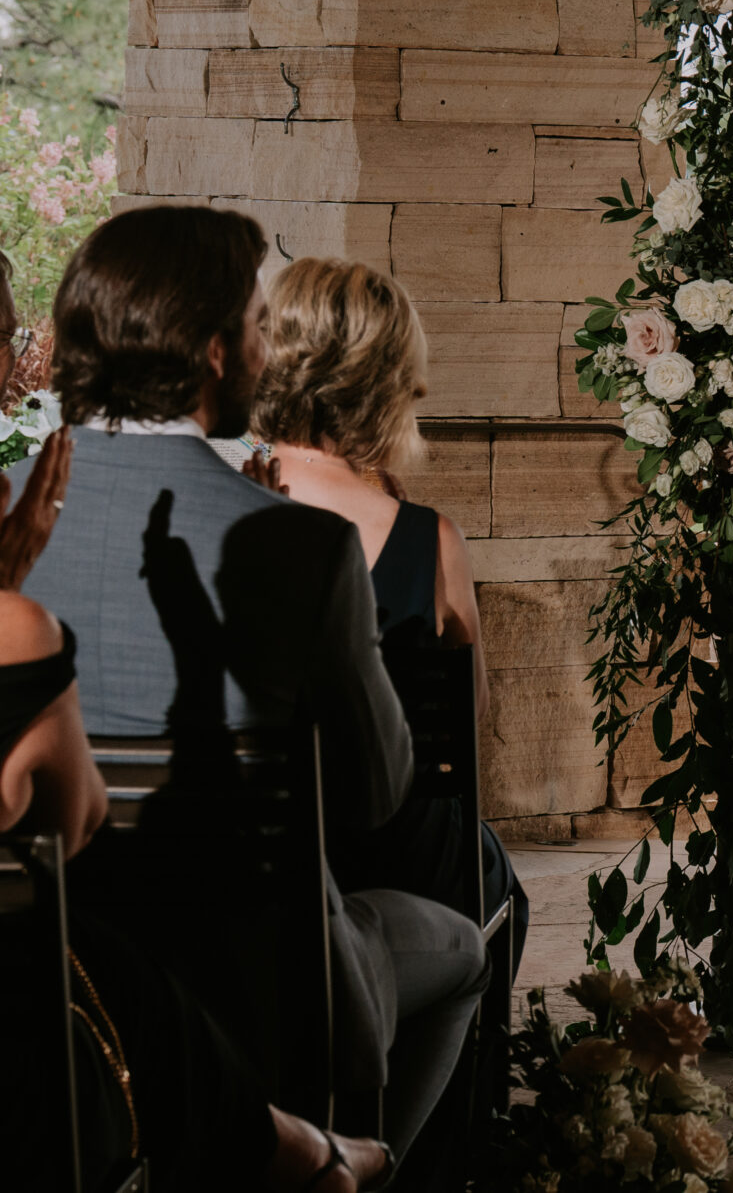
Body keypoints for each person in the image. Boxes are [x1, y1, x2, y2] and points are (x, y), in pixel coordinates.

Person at [10, 206, 487, 1161]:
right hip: (261, 976)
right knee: (464, 950)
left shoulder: (7, 516)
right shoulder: (304, 545)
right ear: (218, 351)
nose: (269, 356)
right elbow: (378, 792)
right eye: (261, 327)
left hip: (53, 974)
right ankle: (354, 1161)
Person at [248, 254, 527, 1155]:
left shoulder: (227, 511)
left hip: (256, 849)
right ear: (385, 382)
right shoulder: (424, 539)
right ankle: (438, 1142)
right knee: (498, 880)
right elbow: (466, 734)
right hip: (399, 855)